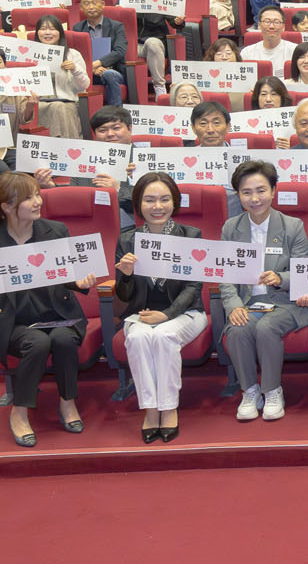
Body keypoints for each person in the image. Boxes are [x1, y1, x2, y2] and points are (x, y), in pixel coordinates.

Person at [0, 172, 93, 446]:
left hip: (58, 315)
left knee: (63, 339)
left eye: (37, 194)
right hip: (14, 323)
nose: (38, 201)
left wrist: (79, 282)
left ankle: (67, 402)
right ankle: (19, 411)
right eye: (29, 198)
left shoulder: (56, 231)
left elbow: (68, 274)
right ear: (7, 206)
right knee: (37, 342)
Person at [218, 161, 308, 423]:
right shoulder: (231, 227)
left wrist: (280, 278)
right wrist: (233, 305)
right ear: (238, 195)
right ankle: (250, 390)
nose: (255, 199)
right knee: (238, 328)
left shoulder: (292, 226)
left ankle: (273, 390)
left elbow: (303, 270)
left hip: (286, 302)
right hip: (249, 301)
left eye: (261, 190)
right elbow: (225, 274)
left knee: (267, 327)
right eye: (246, 192)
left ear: (273, 191)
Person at [112, 171, 208, 443]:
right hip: (141, 314)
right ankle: (151, 409)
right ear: (138, 204)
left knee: (164, 335)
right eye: (149, 200)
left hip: (185, 313)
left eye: (164, 199)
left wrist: (166, 315)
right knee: (139, 338)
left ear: (174, 202)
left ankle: (168, 408)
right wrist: (126, 275)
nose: (157, 206)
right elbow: (123, 294)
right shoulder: (127, 240)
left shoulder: (190, 236)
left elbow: (193, 287)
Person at [241, 6, 296, 75]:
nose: (271, 26)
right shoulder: (247, 53)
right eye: (267, 22)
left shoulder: (294, 50)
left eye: (276, 22)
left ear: (283, 27)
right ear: (259, 25)